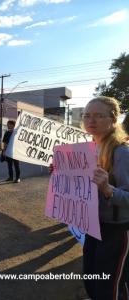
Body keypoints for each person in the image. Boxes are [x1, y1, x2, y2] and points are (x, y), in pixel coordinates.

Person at [51, 96, 129, 299]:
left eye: (98, 116)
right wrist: (61, 174)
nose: (90, 120)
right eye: (86, 116)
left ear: (113, 119)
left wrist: (108, 189)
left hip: (117, 230)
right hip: (93, 226)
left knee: (109, 285)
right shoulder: (87, 149)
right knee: (91, 277)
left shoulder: (122, 153)